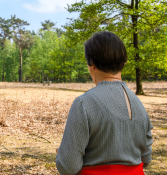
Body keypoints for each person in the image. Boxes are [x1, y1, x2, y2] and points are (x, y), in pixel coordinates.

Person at [56, 31, 153, 175]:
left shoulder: (83, 104)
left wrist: (62, 155)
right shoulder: (139, 104)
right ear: (124, 62)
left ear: (92, 64)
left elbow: (68, 166)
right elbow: (146, 158)